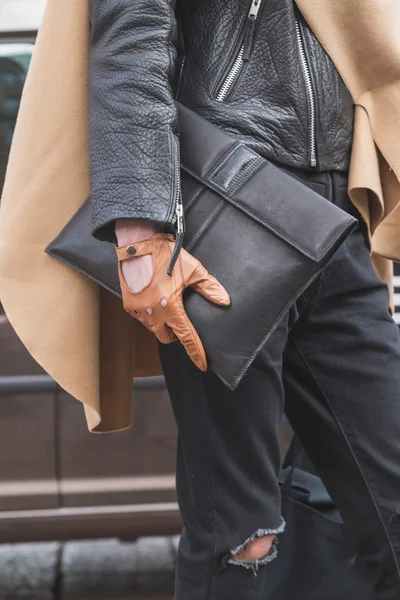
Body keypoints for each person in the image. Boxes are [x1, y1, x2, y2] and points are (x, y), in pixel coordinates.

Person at [0, 1, 399, 599]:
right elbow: (131, 30)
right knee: (242, 534)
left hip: (330, 215)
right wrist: (139, 237)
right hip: (226, 210)